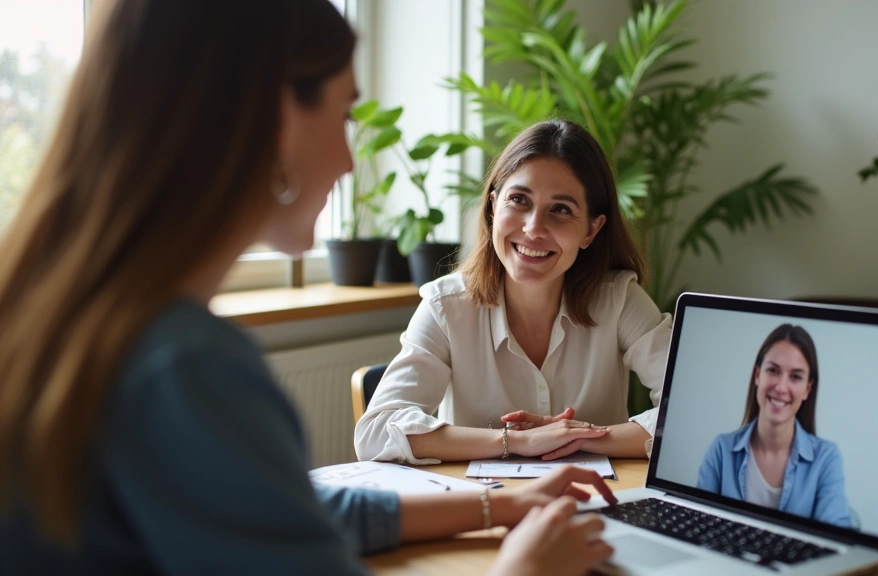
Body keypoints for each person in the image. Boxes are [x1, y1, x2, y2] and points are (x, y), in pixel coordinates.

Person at [0, 2, 619, 575]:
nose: (349, 161)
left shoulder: (79, 318)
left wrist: (500, 506)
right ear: (275, 119)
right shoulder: (187, 365)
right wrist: (522, 571)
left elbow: (287, 510)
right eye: (345, 115)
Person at [354, 119, 672, 465]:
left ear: (591, 231)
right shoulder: (445, 307)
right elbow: (374, 433)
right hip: (480, 498)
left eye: (561, 209)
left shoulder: (620, 300)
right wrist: (515, 441)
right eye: (519, 200)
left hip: (594, 495)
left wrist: (576, 438)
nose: (534, 228)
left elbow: (698, 410)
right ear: (493, 207)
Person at [696, 324, 853, 528]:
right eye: (773, 371)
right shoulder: (721, 450)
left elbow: (836, 536)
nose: (780, 387)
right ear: (757, 375)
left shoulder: (827, 459)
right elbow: (698, 524)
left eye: (795, 377)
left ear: (807, 389)